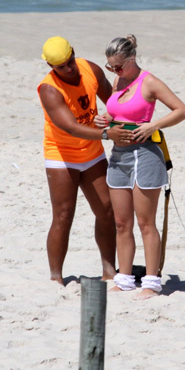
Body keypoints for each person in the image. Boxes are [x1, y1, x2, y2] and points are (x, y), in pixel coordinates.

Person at [99, 35, 185, 299]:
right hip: (119, 155)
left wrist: (154, 124)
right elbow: (116, 114)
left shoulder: (148, 82)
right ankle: (125, 278)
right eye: (110, 67)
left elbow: (182, 111)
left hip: (145, 154)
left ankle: (151, 282)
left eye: (118, 66)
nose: (115, 72)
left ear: (131, 59)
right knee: (121, 222)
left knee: (145, 222)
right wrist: (103, 119)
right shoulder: (119, 80)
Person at [37, 36, 133, 285]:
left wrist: (115, 120)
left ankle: (109, 270)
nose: (68, 69)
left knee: (106, 211)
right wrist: (106, 133)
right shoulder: (49, 89)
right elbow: (70, 128)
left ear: (73, 54)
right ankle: (56, 277)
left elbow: (113, 102)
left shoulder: (90, 69)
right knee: (63, 214)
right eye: (61, 67)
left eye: (70, 62)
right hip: (62, 156)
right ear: (51, 67)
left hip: (91, 153)